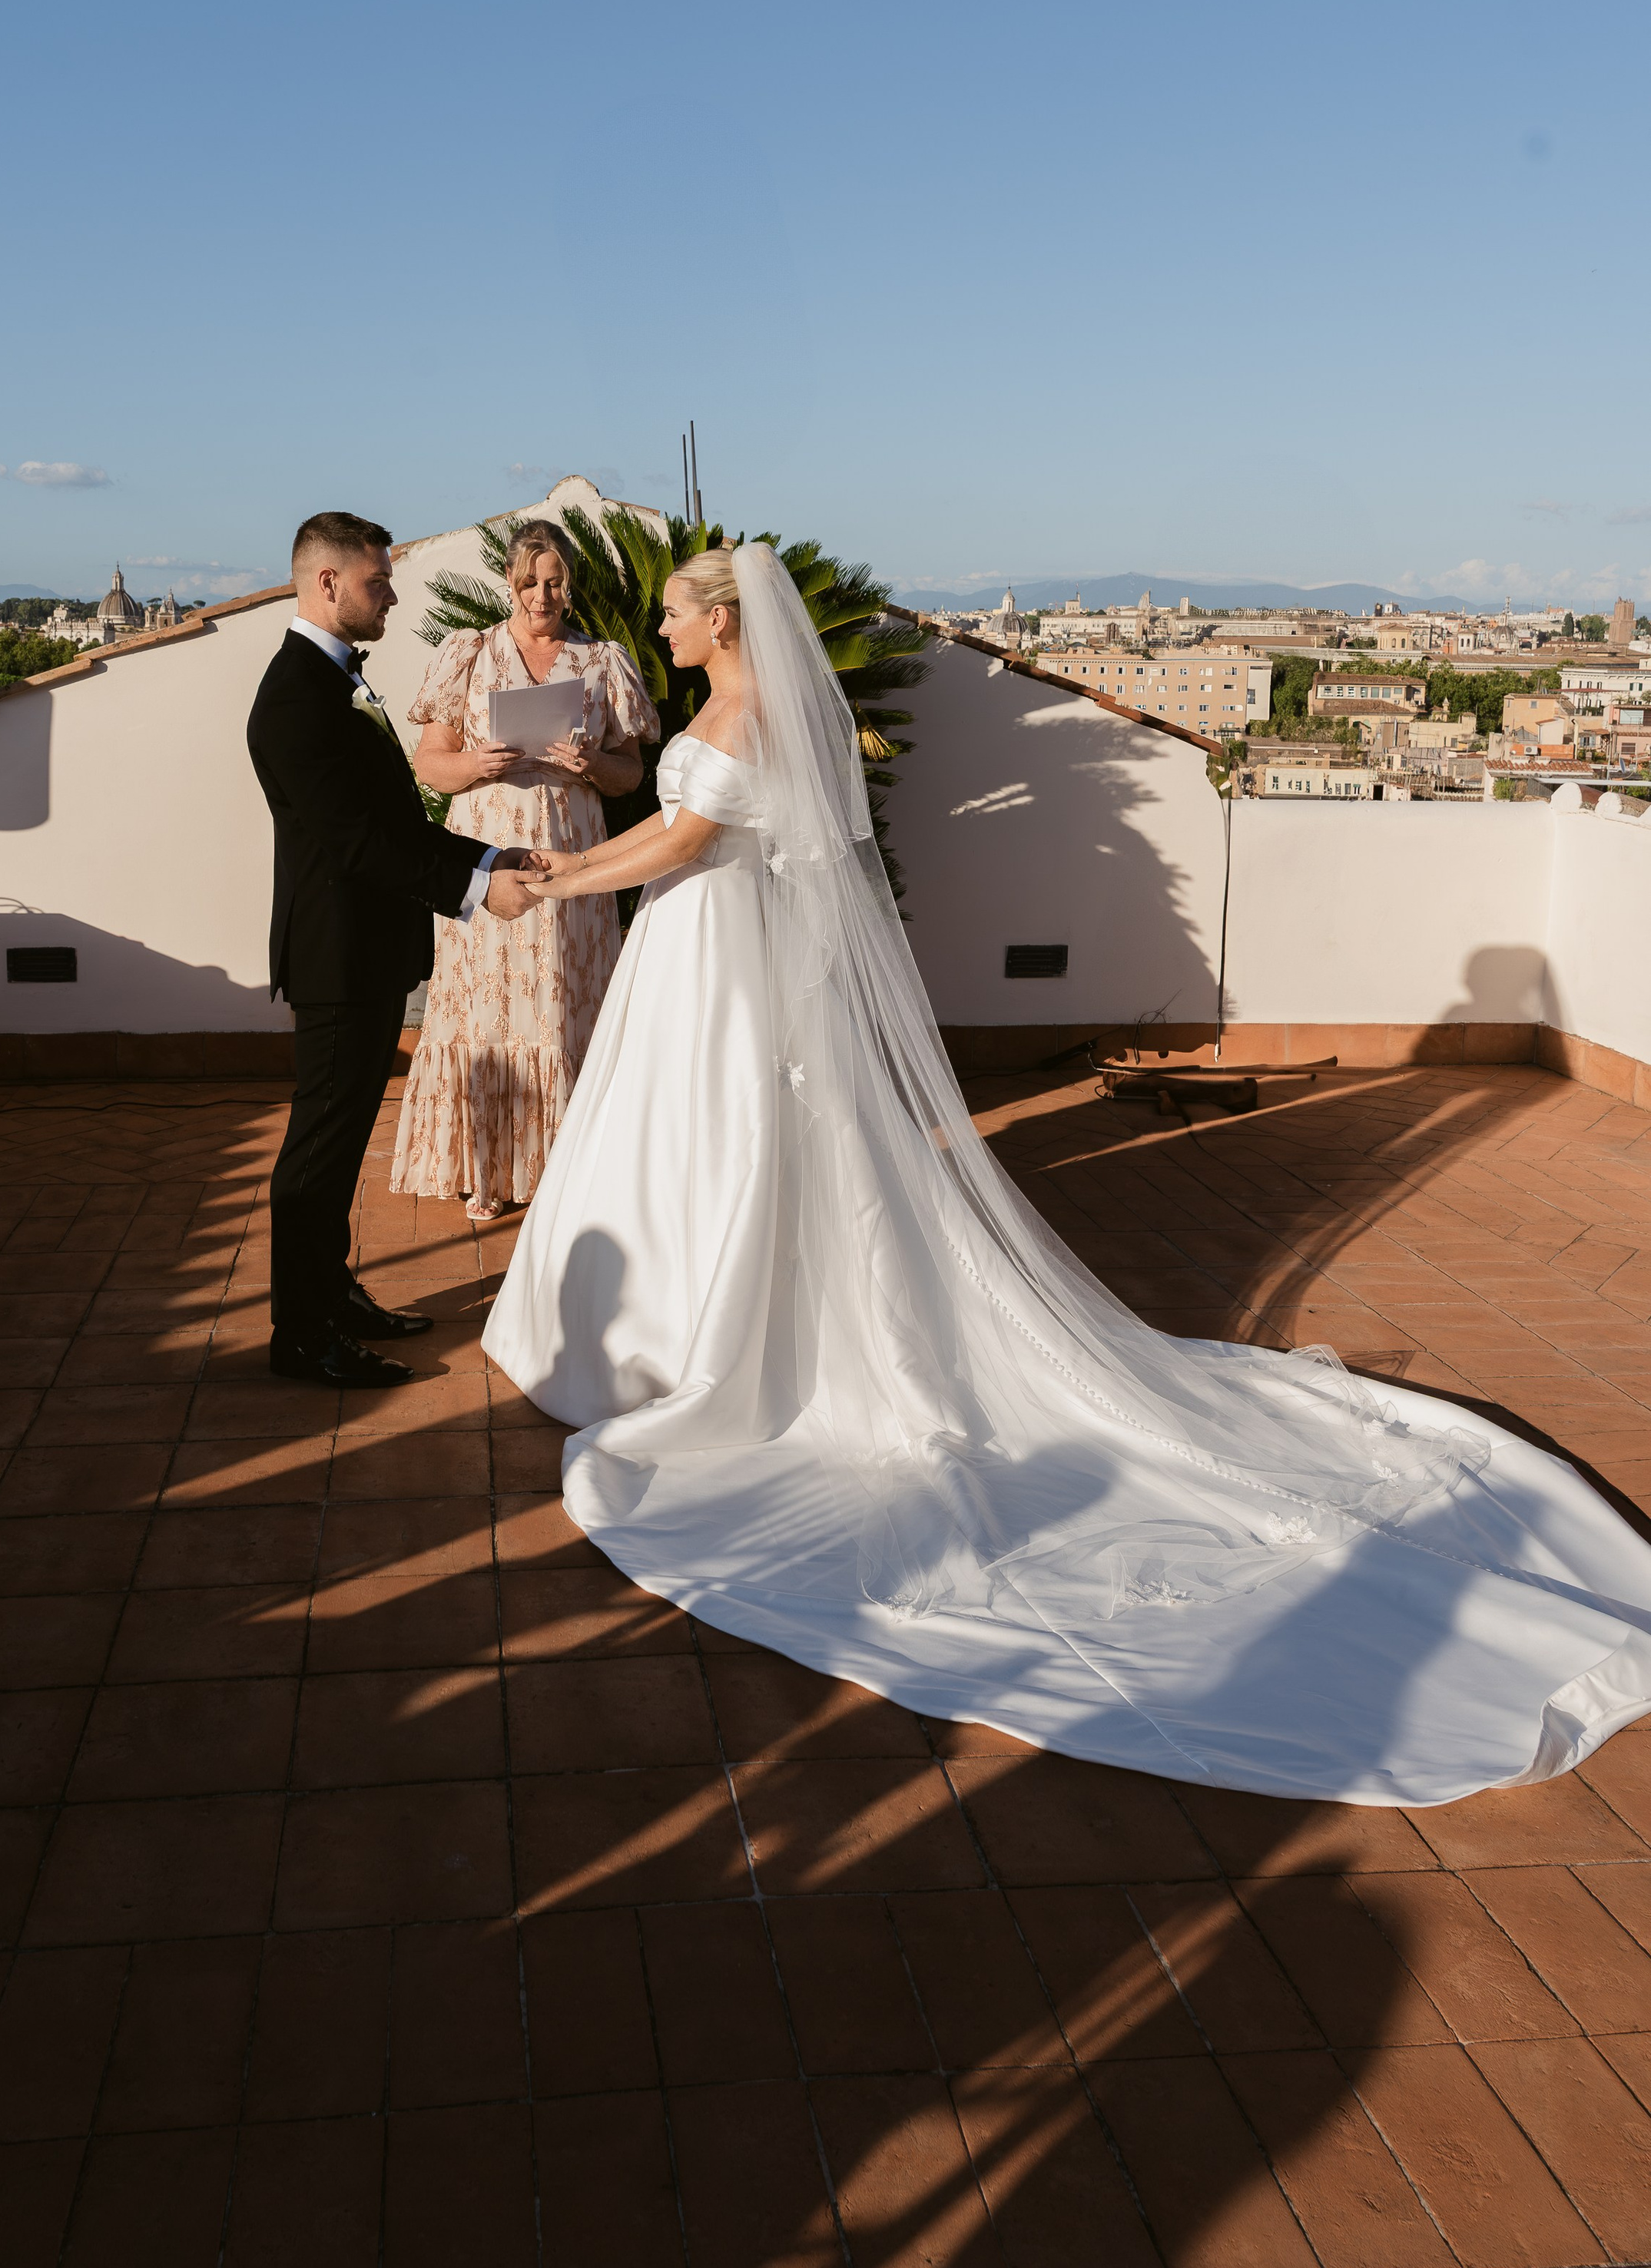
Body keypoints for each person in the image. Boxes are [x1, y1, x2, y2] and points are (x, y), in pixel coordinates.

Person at [485, 541, 1651, 1803]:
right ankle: (658, 1339)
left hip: (721, 953)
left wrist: (553, 878)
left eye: (671, 613)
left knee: (733, 1141)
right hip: (697, 951)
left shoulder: (757, 715)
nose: (657, 627)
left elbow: (682, 839)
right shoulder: (728, 703)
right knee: (689, 1136)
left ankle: (700, 1358)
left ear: (721, 621)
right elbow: (675, 830)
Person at [247, 509, 543, 1389]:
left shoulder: (329, 679)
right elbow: (354, 845)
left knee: (337, 1148)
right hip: (336, 959)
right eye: (378, 581)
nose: (391, 593)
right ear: (326, 582)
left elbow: (392, 823)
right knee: (318, 1153)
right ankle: (302, 1334)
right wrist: (476, 885)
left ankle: (333, 1295)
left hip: (365, 954)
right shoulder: (297, 696)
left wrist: (490, 855)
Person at [390, 518, 658, 1220]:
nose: (542, 596)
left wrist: (593, 763)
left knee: (563, 1005)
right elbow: (430, 764)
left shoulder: (601, 662)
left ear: (571, 585)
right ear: (509, 582)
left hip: (571, 861)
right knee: (485, 1012)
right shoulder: (471, 655)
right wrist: (475, 763)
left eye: (555, 582)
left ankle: (567, 1168)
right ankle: (485, 1169)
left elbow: (632, 776)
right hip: (486, 857)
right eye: (529, 581)